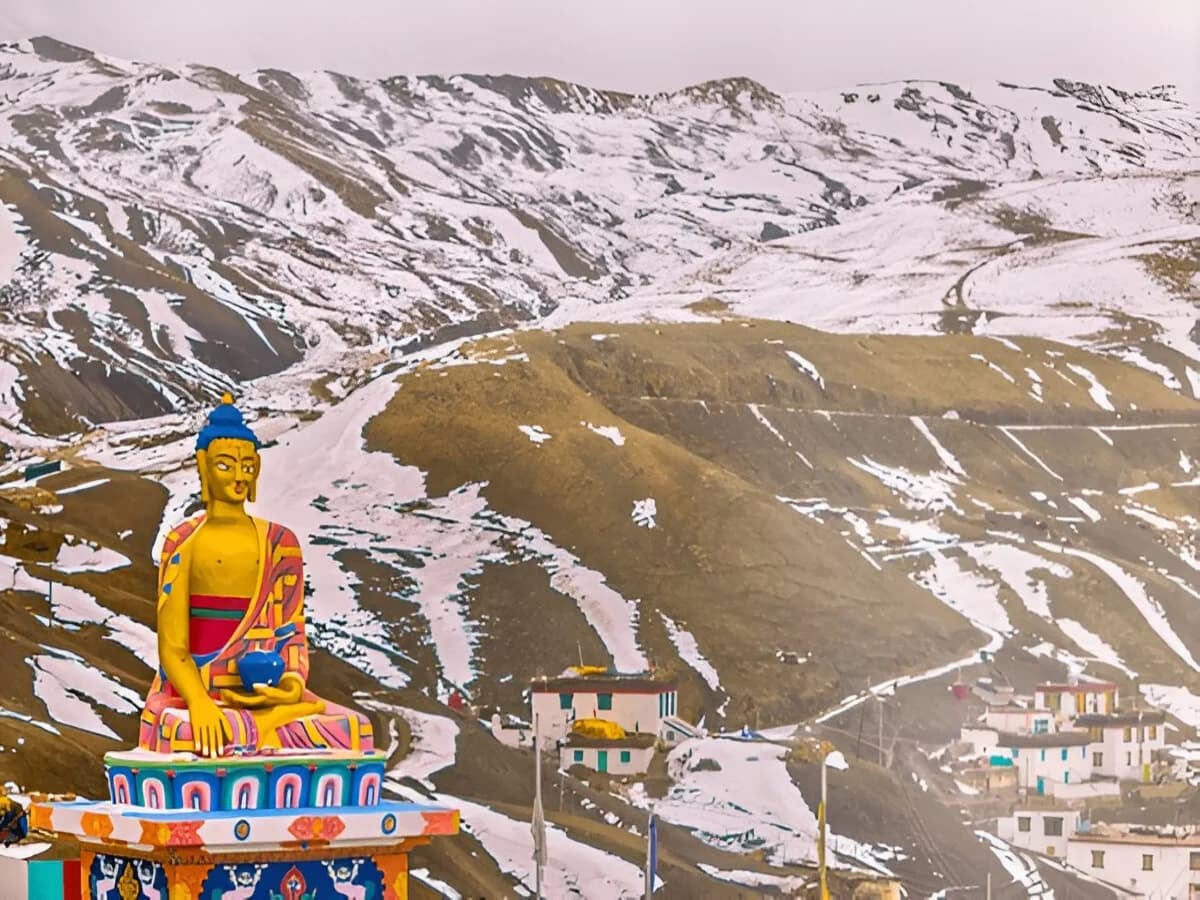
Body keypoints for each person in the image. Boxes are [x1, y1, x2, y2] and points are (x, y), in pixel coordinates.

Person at [137, 394, 373, 758]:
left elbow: (290, 632)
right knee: (188, 733)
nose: (238, 476)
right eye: (226, 465)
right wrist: (198, 702)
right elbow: (172, 648)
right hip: (192, 694)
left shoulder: (280, 543)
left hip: (263, 695)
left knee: (351, 728)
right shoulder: (184, 541)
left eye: (247, 466)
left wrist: (291, 684)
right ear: (203, 466)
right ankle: (266, 725)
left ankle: (277, 718)